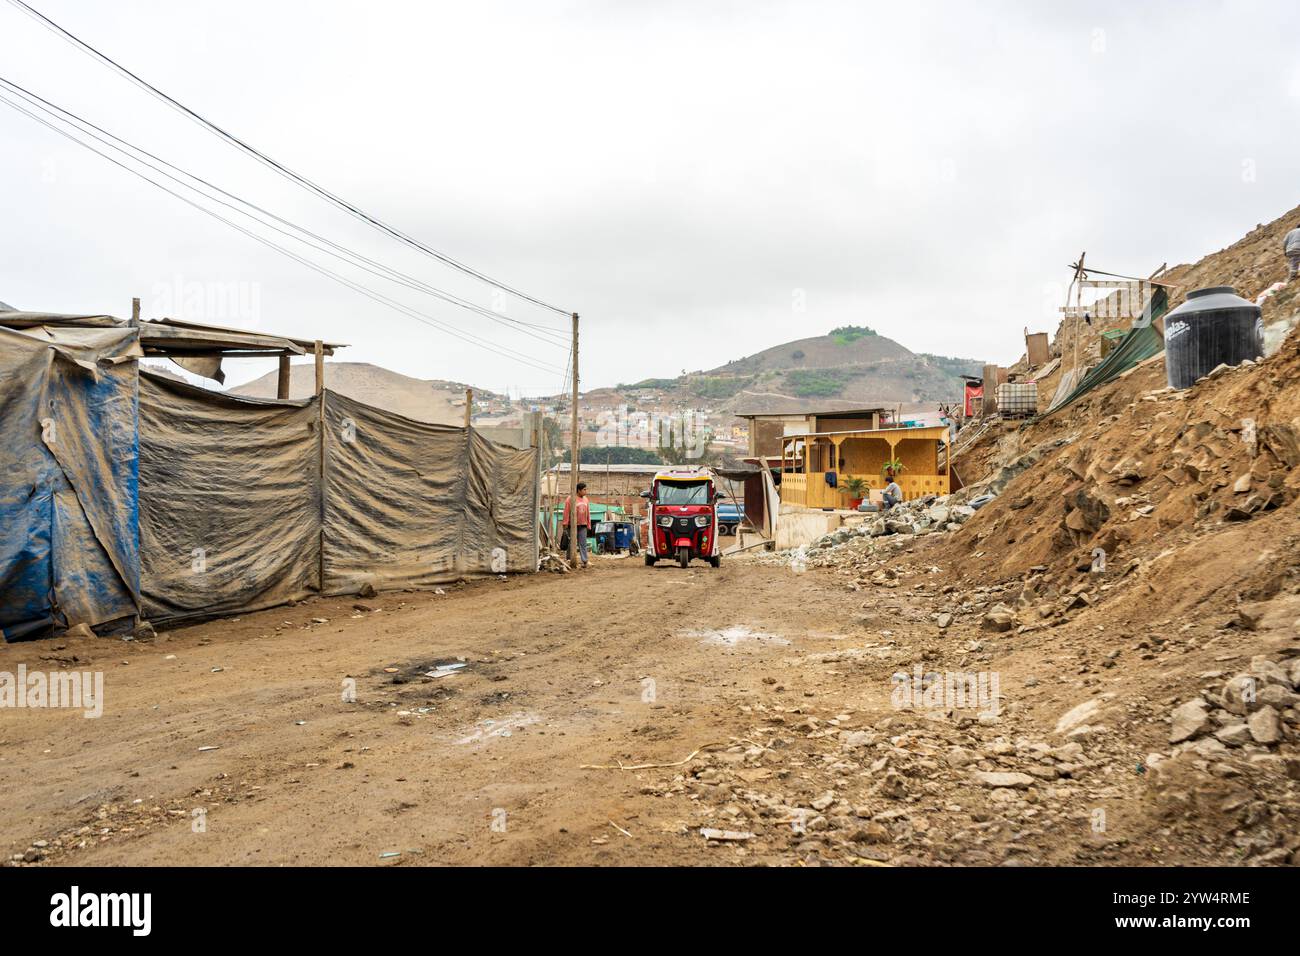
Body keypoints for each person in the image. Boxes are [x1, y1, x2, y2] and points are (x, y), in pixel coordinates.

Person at [561, 481, 595, 568]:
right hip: (572, 525)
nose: (585, 491)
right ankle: (569, 560)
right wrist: (565, 523)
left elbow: (588, 512)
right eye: (584, 490)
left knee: (583, 543)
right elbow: (566, 512)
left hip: (583, 525)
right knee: (571, 543)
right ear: (578, 490)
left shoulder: (586, 499)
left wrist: (589, 523)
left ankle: (585, 561)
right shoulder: (570, 499)